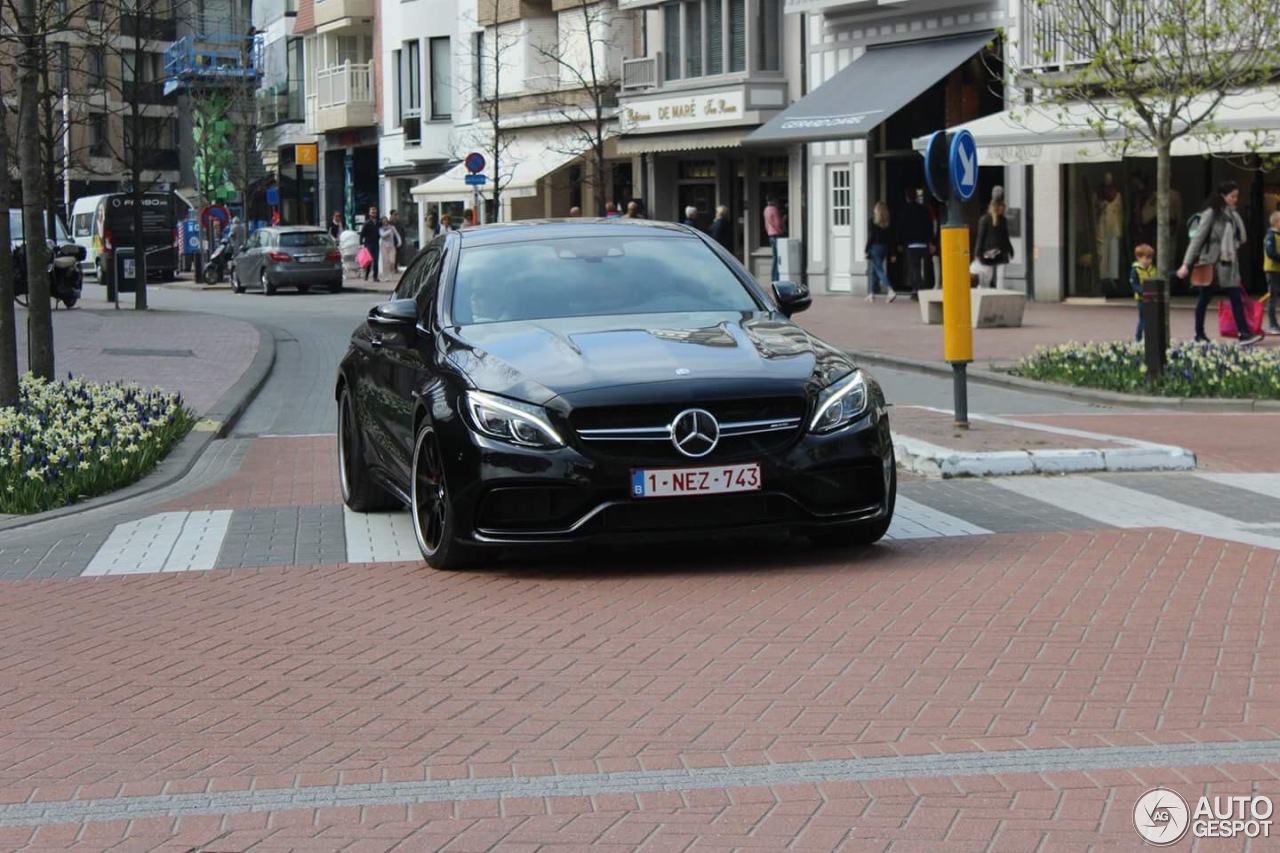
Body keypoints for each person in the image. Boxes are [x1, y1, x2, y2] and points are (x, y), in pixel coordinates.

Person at [1177, 180, 1261, 345]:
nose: (1235, 199)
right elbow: (1197, 240)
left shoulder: (1232, 215)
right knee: (1205, 298)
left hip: (1229, 263)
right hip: (1212, 263)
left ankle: (1244, 333)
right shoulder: (1211, 214)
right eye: (1232, 196)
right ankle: (1199, 333)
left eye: (1237, 196)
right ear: (1223, 196)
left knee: (1235, 297)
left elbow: (1240, 238)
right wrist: (1186, 264)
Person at [973, 188, 1014, 288]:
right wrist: (977, 253)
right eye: (1001, 207)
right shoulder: (985, 219)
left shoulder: (1003, 220)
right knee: (987, 278)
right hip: (989, 253)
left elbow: (1005, 237)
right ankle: (984, 295)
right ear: (996, 207)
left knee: (1001, 277)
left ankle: (1000, 296)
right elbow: (980, 237)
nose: (1003, 209)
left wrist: (1010, 250)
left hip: (1001, 251)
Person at [898, 187, 935, 295]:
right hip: (923, 243)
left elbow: (901, 227)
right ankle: (920, 286)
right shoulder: (923, 210)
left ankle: (918, 289)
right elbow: (929, 226)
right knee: (921, 267)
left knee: (914, 267)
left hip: (911, 244)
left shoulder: (904, 210)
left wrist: (900, 243)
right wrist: (931, 242)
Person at [864, 200, 897, 303]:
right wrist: (892, 253)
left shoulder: (872, 221)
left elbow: (871, 237)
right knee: (874, 271)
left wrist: (866, 249)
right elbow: (891, 238)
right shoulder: (888, 223)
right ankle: (871, 293)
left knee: (879, 270)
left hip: (875, 248)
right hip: (885, 248)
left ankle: (890, 290)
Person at [1130, 243, 1156, 342]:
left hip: (1152, 298)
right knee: (1143, 318)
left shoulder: (1152, 269)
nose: (1148, 261)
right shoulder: (1135, 270)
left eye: (1150, 258)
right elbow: (1134, 285)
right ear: (1139, 258)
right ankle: (1138, 337)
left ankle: (1149, 337)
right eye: (1146, 258)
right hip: (1142, 299)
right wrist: (1143, 292)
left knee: (1152, 319)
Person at [1264, 210, 1280, 334]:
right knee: (1273, 297)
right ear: (1276, 223)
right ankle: (1272, 324)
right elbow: (1270, 253)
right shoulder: (1271, 236)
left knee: (1274, 296)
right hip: (1272, 270)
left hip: (1278, 269)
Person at [763, 197, 786, 282]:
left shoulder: (766, 210)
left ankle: (773, 277)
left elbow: (766, 225)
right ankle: (776, 278)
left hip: (770, 235)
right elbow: (778, 223)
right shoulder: (774, 210)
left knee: (775, 257)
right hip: (776, 235)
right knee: (778, 258)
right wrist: (783, 220)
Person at [359, 205, 380, 281]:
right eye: (372, 212)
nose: (374, 214)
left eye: (375, 212)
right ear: (369, 213)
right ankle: (367, 275)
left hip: (376, 243)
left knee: (376, 260)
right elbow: (362, 234)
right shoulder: (367, 223)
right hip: (368, 244)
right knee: (369, 260)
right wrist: (361, 244)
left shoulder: (378, 222)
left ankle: (375, 276)